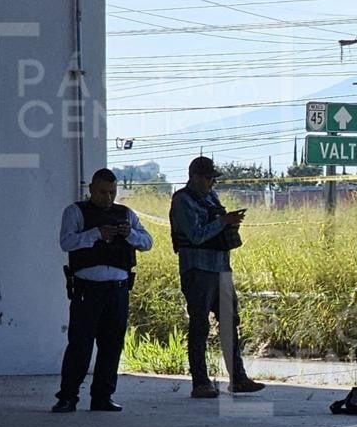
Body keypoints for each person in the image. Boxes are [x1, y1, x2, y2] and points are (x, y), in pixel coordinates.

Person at [52, 168, 154, 413]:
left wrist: (130, 235)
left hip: (118, 290)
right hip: (87, 291)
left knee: (111, 345)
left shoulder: (126, 214)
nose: (108, 197)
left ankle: (103, 396)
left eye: (112, 192)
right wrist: (96, 234)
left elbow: (147, 242)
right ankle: (68, 396)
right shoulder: (76, 211)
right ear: (91, 190)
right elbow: (66, 241)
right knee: (80, 345)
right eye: (103, 192)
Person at [169, 156, 264, 399]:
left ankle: (238, 378)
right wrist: (223, 221)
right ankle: (200, 382)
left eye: (214, 178)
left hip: (221, 268)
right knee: (199, 325)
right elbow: (196, 235)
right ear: (194, 177)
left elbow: (216, 227)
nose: (212, 183)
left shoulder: (212, 197)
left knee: (230, 323)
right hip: (197, 269)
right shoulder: (182, 200)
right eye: (208, 178)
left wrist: (230, 225)